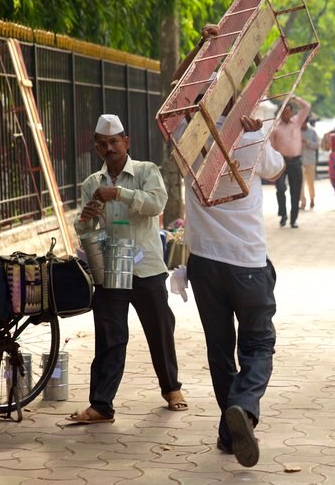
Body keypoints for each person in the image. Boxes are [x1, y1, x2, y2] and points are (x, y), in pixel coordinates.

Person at [67, 114, 186, 424]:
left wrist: (120, 193)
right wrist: (88, 217)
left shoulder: (147, 171)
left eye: (114, 142)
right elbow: (85, 229)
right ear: (97, 149)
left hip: (146, 263)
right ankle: (101, 405)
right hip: (111, 266)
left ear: (126, 142)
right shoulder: (93, 182)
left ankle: (172, 389)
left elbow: (156, 205)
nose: (109, 148)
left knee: (159, 330)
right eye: (103, 144)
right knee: (109, 336)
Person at [184, 108, 285, 467]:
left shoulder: (187, 136)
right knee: (258, 345)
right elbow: (276, 169)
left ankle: (229, 435)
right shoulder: (251, 136)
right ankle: (243, 408)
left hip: (204, 262)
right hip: (246, 261)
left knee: (220, 350)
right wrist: (258, 135)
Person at [269, 96, 311, 228]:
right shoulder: (275, 127)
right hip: (281, 162)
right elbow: (271, 146)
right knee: (280, 188)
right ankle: (283, 215)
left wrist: (295, 98)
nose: (285, 115)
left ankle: (293, 219)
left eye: (287, 112)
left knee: (295, 190)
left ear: (292, 112)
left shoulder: (297, 122)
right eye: (283, 113)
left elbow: (307, 107)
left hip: (295, 161)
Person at [299, 119, 319, 210]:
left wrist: (308, 142)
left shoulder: (312, 132)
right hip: (300, 161)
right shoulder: (297, 132)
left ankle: (312, 199)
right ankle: (303, 202)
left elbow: (317, 145)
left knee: (310, 182)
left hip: (310, 160)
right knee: (300, 183)